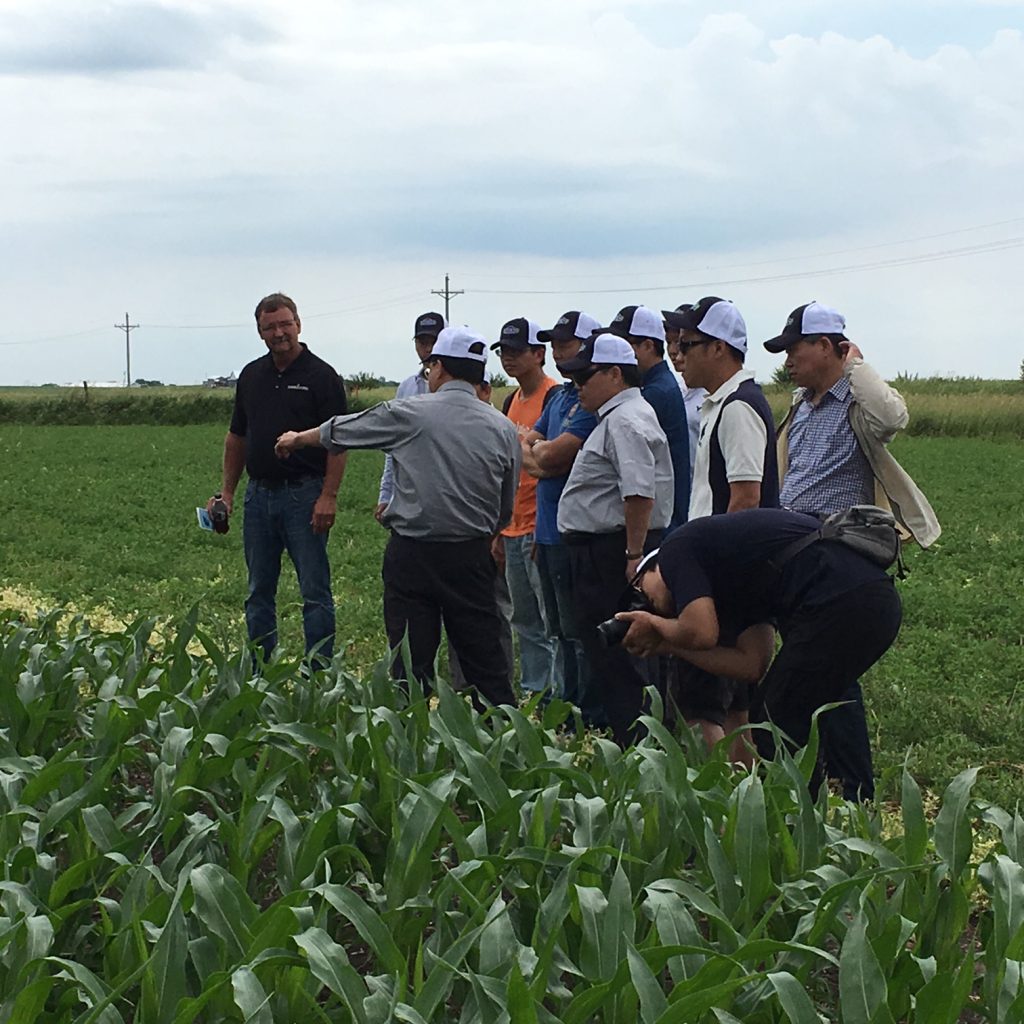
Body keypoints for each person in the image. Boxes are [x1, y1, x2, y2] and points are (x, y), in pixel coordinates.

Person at [274, 326, 520, 708]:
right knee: (483, 659)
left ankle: (413, 742)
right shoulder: (503, 428)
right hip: (472, 558)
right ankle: (498, 742)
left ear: (438, 367)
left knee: (411, 661)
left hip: (414, 555)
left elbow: (347, 429)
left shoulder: (409, 413)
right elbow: (506, 504)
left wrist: (297, 439)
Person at [762, 301, 940, 800]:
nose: (788, 360)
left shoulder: (858, 402)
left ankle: (846, 784)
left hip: (835, 548)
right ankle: (841, 782)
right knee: (824, 667)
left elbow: (893, 416)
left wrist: (855, 363)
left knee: (824, 665)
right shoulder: (801, 403)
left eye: (795, 348)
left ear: (826, 347)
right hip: (796, 546)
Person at [616, 508, 903, 788]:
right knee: (799, 710)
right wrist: (668, 644)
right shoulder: (735, 579)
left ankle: (800, 819)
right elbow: (752, 664)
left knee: (776, 721)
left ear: (649, 568)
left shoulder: (676, 548)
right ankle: (844, 802)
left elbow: (700, 631)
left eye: (641, 591)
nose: (647, 603)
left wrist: (652, 623)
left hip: (841, 601)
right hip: (874, 604)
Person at [208, 292, 347, 667]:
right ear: (260, 332)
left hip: (305, 494)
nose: (279, 333)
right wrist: (227, 493)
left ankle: (318, 673)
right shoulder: (252, 375)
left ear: (298, 325)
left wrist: (328, 496)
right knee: (258, 592)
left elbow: (339, 442)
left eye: (285, 324)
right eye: (269, 327)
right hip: (259, 497)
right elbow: (237, 437)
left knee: (315, 591)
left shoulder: (322, 376)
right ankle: (259, 669)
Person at [556, 333, 674, 743]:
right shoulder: (621, 416)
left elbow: (638, 491)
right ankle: (635, 739)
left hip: (612, 552)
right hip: (609, 548)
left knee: (622, 656)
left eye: (585, 375)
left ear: (614, 373)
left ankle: (637, 744)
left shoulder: (625, 420)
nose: (578, 385)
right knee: (614, 655)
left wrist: (633, 554)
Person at [521, 310, 602, 706]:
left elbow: (551, 457)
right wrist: (539, 455)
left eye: (565, 343)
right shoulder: (560, 396)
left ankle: (580, 709)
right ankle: (563, 705)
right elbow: (531, 447)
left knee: (577, 631)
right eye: (553, 343)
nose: (556, 351)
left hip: (574, 533)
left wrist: (537, 454)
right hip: (547, 531)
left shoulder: (591, 403)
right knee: (555, 628)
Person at [491, 318, 560, 695]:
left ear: (540, 354)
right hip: (513, 524)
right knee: (524, 619)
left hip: (539, 524)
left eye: (518, 352)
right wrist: (500, 528)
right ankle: (536, 691)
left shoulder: (555, 396)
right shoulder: (510, 401)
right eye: (504, 352)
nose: (509, 359)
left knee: (550, 620)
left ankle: (557, 697)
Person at [676, 296, 779, 519]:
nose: (678, 355)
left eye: (686, 345)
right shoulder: (724, 402)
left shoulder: (737, 406)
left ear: (718, 348)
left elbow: (746, 500)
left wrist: (715, 553)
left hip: (720, 551)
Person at [606, 305, 691, 530]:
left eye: (625, 344)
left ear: (647, 345)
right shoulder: (653, 386)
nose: (618, 352)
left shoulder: (655, 393)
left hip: (661, 521)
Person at [375, 311, 445, 522]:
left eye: (434, 341)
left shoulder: (463, 387)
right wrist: (386, 495)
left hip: (446, 496)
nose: (428, 348)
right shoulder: (406, 388)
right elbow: (393, 448)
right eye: (422, 341)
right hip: (408, 498)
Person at [662, 303, 706, 482]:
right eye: (669, 342)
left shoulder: (712, 393)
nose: (673, 351)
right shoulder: (676, 389)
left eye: (680, 343)